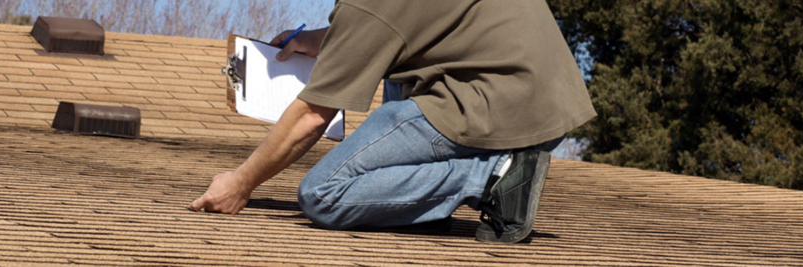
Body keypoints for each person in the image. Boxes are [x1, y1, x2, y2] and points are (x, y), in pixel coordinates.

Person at [189, 0, 596, 243]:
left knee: (323, 194)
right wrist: (316, 40)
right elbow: (399, 25)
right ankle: (428, 207)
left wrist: (241, 182)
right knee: (398, 69)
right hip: (543, 99)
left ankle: (492, 178)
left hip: (496, 106)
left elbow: (312, 116)